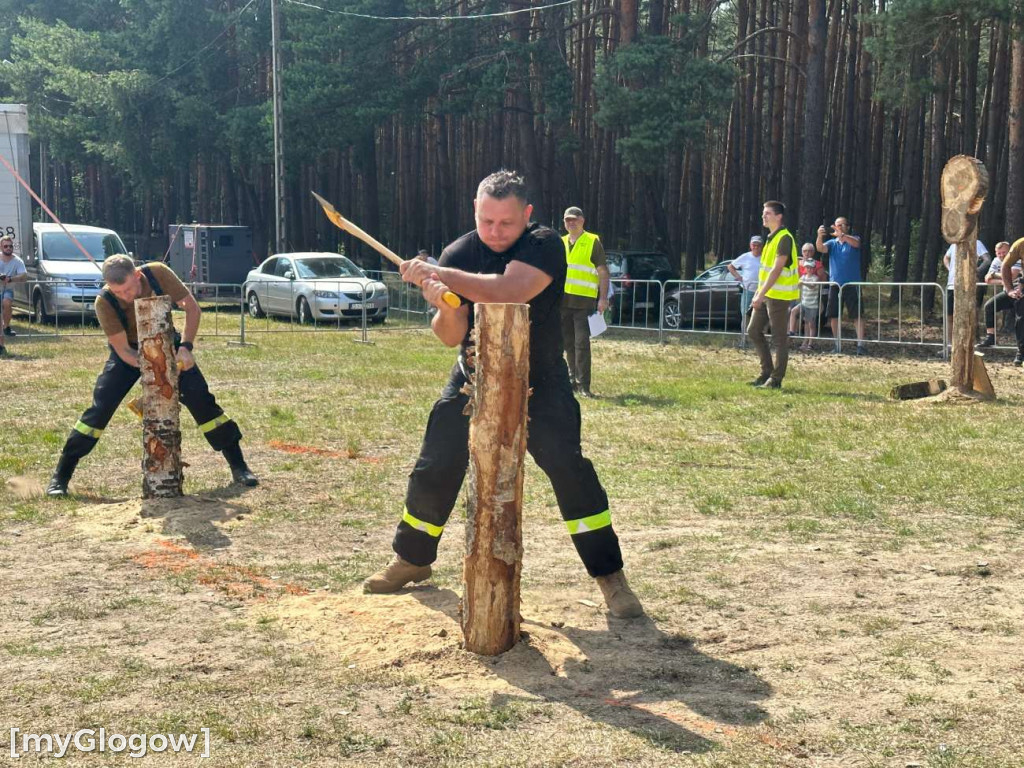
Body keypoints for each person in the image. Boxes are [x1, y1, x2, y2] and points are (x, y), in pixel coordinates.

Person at [361, 170, 643, 619]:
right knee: (435, 464)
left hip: (541, 379)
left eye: (505, 223)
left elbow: (511, 291)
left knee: (570, 471)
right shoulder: (460, 252)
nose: (493, 233)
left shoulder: (544, 243)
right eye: (485, 221)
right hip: (473, 376)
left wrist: (440, 273)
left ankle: (610, 577)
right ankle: (412, 559)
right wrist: (443, 303)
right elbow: (450, 335)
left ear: (526, 215)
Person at [45, 255, 258, 495]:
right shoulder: (103, 302)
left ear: (137, 275)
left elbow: (192, 308)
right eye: (118, 292)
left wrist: (185, 347)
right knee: (101, 407)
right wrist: (153, 367)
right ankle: (61, 476)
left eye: (128, 289)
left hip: (167, 343)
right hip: (130, 354)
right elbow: (122, 349)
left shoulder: (158, 273)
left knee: (201, 400)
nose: (125, 297)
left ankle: (239, 467)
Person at [748, 201, 799, 389]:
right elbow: (766, 271)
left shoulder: (784, 238)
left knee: (778, 338)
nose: (764, 216)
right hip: (766, 294)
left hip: (778, 296)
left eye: (767, 213)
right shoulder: (770, 238)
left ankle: (776, 379)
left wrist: (760, 294)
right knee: (753, 331)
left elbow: (777, 269)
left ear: (779, 217)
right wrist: (759, 293)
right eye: (763, 213)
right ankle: (766, 372)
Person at [560, 205, 610, 398]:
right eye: (567, 220)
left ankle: (584, 385)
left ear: (582, 220)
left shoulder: (592, 241)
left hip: (584, 302)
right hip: (563, 303)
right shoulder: (561, 242)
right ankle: (572, 380)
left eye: (574, 219)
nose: (571, 222)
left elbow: (603, 272)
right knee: (568, 344)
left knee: (581, 344)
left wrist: (603, 298)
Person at [816, 216, 867, 355]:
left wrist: (843, 235)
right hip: (835, 285)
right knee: (833, 315)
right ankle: (837, 344)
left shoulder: (853, 239)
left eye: (841, 225)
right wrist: (819, 236)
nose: (838, 227)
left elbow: (857, 244)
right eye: (837, 225)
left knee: (857, 314)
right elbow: (820, 248)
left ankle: (861, 345)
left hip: (852, 283)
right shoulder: (832, 243)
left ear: (847, 226)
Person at [942, 237, 989, 342]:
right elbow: (946, 258)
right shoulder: (954, 244)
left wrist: (975, 271)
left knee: (968, 315)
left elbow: (987, 260)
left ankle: (969, 343)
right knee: (949, 315)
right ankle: (950, 344)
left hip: (968, 286)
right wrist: (950, 270)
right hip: (952, 285)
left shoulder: (976, 242)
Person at [978, 241, 1021, 348]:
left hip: (1020, 292)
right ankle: (990, 337)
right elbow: (987, 279)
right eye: (999, 253)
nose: (1001, 256)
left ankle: (1020, 346)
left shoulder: (1017, 258)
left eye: (1004, 253)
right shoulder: (996, 260)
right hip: (1008, 291)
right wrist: (1003, 281)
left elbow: (1012, 276)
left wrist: (994, 274)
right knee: (989, 306)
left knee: (1020, 318)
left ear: (1010, 251)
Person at [790, 244, 828, 351]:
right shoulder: (799, 265)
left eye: (810, 251)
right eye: (805, 251)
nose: (807, 253)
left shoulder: (817, 266)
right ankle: (792, 333)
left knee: (810, 323)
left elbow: (822, 282)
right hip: (801, 297)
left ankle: (809, 343)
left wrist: (806, 284)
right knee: (793, 311)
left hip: (813, 299)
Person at [999, 237, 1024, 366]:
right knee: (1021, 321)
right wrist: (1009, 290)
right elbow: (1005, 265)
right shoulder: (1020, 244)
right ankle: (1021, 352)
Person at [727, 236, 763, 324]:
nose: (756, 247)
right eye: (754, 245)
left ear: (762, 246)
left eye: (758, 245)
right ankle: (745, 337)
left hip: (762, 292)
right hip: (748, 290)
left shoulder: (765, 257)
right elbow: (730, 267)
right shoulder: (745, 256)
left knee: (761, 316)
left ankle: (758, 336)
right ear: (750, 245)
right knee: (746, 314)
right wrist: (739, 277)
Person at [0, 234, 28, 351]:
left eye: (10, 246)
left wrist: (11, 279)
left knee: (7, 303)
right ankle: (1, 346)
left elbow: (24, 275)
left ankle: (6, 326)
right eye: (6, 246)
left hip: (8, 289)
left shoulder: (17, 260)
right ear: (1, 247)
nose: (8, 248)